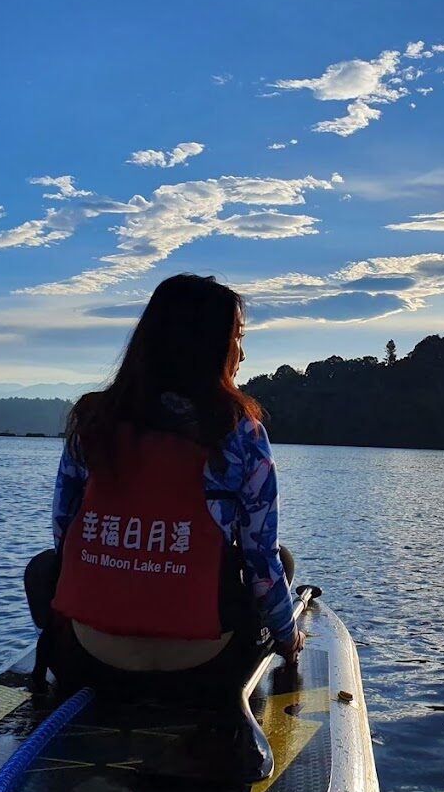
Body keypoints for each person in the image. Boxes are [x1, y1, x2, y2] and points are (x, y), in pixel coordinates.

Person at [23, 273, 304, 698]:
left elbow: (66, 537)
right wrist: (288, 641)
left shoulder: (92, 423)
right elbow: (260, 563)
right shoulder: (242, 434)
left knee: (43, 568)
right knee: (280, 559)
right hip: (206, 670)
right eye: (238, 338)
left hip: (87, 663)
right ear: (213, 346)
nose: (242, 354)